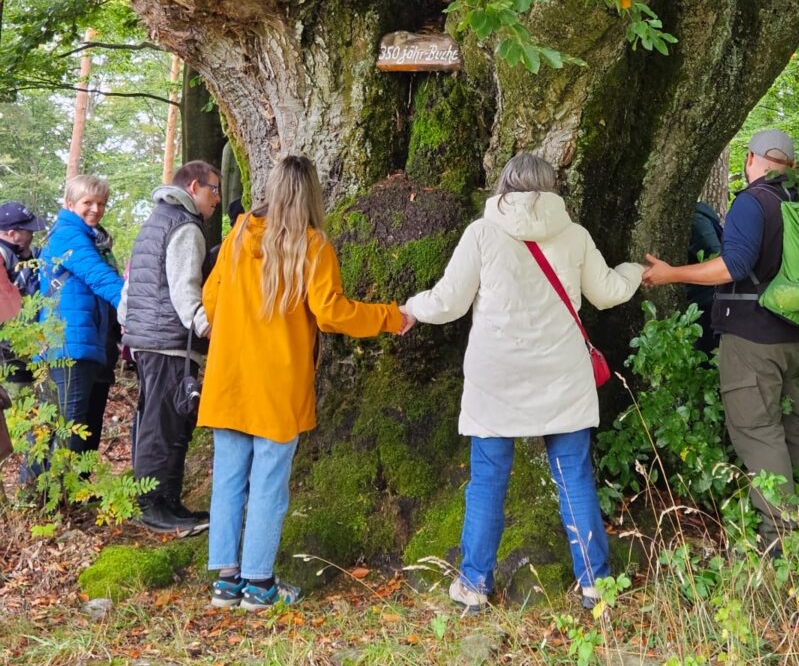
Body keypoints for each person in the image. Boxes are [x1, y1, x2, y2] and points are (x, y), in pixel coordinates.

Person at [401, 151, 644, 613]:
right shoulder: (573, 236)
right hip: (563, 376)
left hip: (498, 379)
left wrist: (412, 308)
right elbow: (608, 292)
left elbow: (449, 302)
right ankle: (595, 581)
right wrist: (637, 271)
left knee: (488, 480)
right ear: (551, 187)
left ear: (505, 186)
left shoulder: (483, 233)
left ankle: (474, 584)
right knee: (573, 476)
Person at [198, 154, 411, 610]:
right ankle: (259, 586)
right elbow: (333, 314)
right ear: (313, 193)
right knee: (269, 484)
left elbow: (210, 298)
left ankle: (226, 582)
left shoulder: (238, 236)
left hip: (229, 377)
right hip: (278, 382)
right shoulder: (312, 246)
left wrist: (237, 329)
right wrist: (392, 316)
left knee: (230, 480)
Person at [642, 129, 799, 552]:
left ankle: (781, 546)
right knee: (797, 435)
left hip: (751, 341)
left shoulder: (752, 202)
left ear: (751, 159)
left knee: (758, 434)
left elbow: (733, 266)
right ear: (790, 164)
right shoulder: (794, 203)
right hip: (792, 338)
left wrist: (670, 273)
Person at [120, 161, 221, 535]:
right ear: (194, 187)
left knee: (160, 420)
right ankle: (153, 506)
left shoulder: (155, 221)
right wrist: (205, 325)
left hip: (147, 338)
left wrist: (128, 324)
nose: (217, 198)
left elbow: (129, 290)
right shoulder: (184, 226)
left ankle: (168, 502)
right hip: (169, 342)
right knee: (166, 425)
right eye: (213, 190)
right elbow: (184, 287)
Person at [39, 176, 124, 463]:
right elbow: (99, 277)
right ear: (70, 204)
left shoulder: (95, 239)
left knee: (87, 424)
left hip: (92, 342)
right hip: (68, 343)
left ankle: (79, 493)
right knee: (70, 423)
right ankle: (55, 497)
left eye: (101, 203)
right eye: (88, 202)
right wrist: (137, 308)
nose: (95, 209)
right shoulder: (66, 235)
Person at [0, 202, 46, 400]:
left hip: (24, 347)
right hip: (9, 351)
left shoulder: (22, 255)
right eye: (28, 230)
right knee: (17, 405)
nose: (33, 234)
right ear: (12, 233)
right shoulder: (3, 255)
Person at [686, 200, 724, 354]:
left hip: (706, 302)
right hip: (703, 300)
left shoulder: (695, 219)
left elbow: (715, 255)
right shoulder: (697, 217)